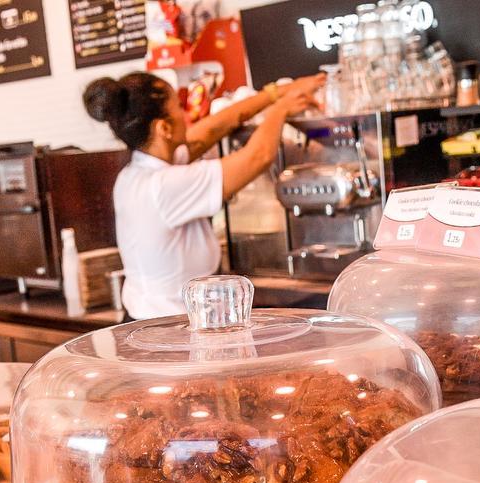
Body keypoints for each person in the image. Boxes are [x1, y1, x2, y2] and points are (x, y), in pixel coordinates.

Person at [84, 71, 323, 319]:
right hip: (169, 327)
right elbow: (257, 157)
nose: (186, 115)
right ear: (164, 127)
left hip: (151, 320)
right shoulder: (162, 186)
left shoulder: (136, 174)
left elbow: (212, 129)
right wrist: (281, 109)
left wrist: (275, 93)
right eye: (178, 106)